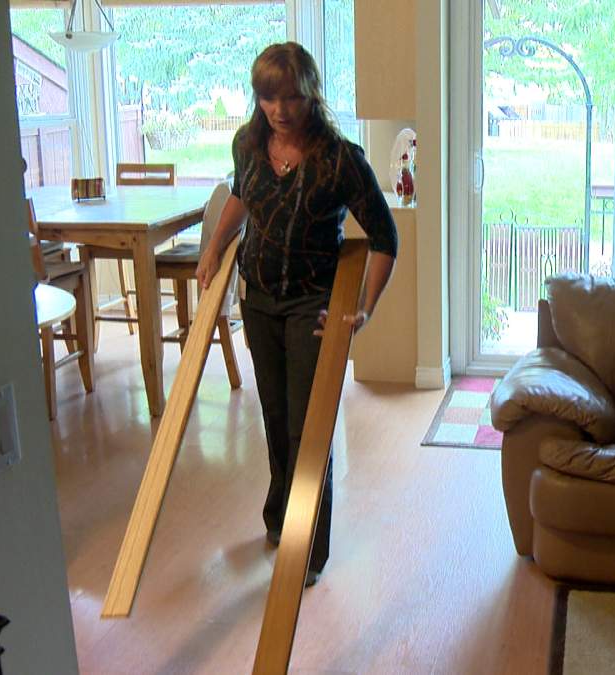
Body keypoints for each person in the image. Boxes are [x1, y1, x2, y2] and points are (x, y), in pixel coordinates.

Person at [196, 42, 397, 587]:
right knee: (276, 419)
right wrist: (216, 244)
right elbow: (242, 196)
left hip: (313, 305)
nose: (280, 109)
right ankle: (280, 514)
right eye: (268, 97)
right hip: (257, 300)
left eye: (291, 97)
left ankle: (309, 547)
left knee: (310, 430)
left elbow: (384, 238)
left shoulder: (340, 159)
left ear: (310, 95)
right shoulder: (248, 144)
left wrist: (364, 309)